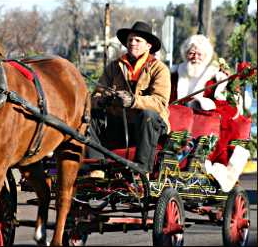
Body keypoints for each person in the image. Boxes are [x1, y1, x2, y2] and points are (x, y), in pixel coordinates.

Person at [88, 21, 171, 180]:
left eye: (138, 40)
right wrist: (104, 99)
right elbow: (95, 96)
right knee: (91, 117)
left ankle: (142, 171)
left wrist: (133, 101)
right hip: (120, 125)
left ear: (148, 46)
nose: (132, 43)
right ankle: (97, 169)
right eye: (130, 40)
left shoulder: (159, 68)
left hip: (149, 128)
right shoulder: (114, 67)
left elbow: (160, 103)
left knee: (147, 114)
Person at [170, 34, 252, 192]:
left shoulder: (215, 77)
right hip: (176, 125)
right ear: (185, 54)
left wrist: (204, 103)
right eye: (191, 53)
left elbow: (228, 107)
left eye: (199, 54)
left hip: (203, 126)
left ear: (205, 56)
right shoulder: (175, 75)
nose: (195, 57)